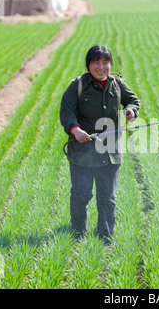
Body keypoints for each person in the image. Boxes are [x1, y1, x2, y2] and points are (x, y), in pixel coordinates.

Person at [59, 45, 140, 243]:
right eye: (96, 62)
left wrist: (130, 111)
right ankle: (77, 235)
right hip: (82, 151)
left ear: (110, 64)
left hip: (110, 152)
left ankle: (105, 238)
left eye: (105, 62)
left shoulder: (117, 83)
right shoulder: (78, 85)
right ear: (88, 65)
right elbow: (66, 110)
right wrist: (75, 130)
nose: (101, 67)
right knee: (81, 195)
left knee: (107, 198)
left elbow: (133, 100)